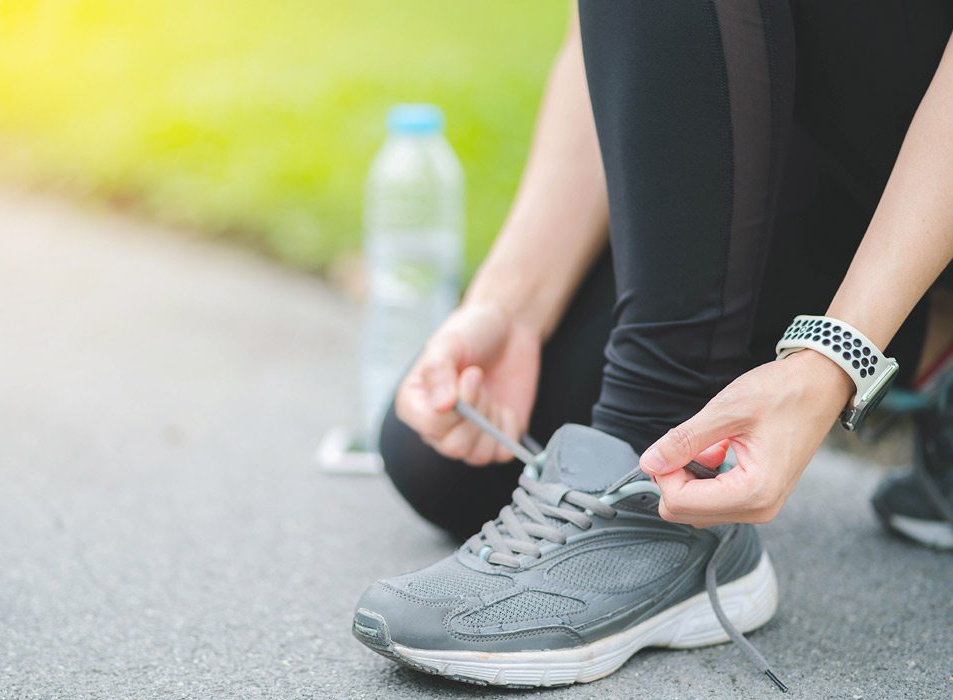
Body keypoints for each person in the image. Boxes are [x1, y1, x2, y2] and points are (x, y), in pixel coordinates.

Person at [351, 0, 953, 691]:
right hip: (849, 133)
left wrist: (836, 355)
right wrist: (511, 305)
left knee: (625, 451)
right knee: (445, 460)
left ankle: (653, 485)